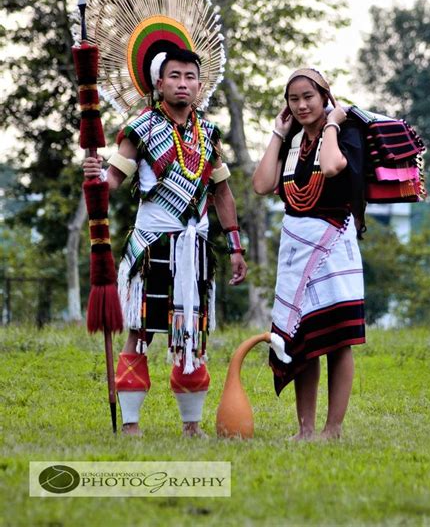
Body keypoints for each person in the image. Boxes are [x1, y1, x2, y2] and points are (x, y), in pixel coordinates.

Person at [84, 41, 247, 437]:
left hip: (195, 249)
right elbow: (114, 180)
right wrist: (94, 175)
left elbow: (221, 192)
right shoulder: (140, 130)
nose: (182, 84)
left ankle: (192, 426)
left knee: (192, 331)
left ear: (199, 85)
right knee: (139, 332)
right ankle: (130, 424)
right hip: (152, 245)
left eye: (190, 77)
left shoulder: (209, 134)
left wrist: (236, 245)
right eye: (174, 76)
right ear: (159, 83)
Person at [253, 67, 365, 441]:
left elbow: (333, 166)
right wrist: (277, 133)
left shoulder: (346, 134)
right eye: (293, 99)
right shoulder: (292, 140)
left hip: (333, 244)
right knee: (302, 341)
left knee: (336, 339)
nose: (301, 105)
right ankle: (305, 430)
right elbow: (262, 185)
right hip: (295, 246)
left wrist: (333, 123)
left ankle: (332, 430)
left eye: (308, 97)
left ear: (324, 98)